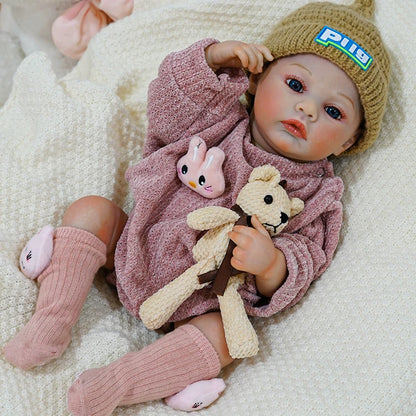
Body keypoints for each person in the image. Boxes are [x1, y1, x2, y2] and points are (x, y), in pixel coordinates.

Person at [3, 0, 390, 414]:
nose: (308, 109)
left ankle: (117, 384)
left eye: (333, 111)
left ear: (348, 142)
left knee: (226, 339)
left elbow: (309, 256)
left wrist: (272, 264)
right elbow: (170, 102)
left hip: (200, 305)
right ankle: (51, 322)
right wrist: (211, 61)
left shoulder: (319, 196)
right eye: (296, 85)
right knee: (90, 210)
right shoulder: (216, 119)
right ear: (257, 78)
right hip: (133, 248)